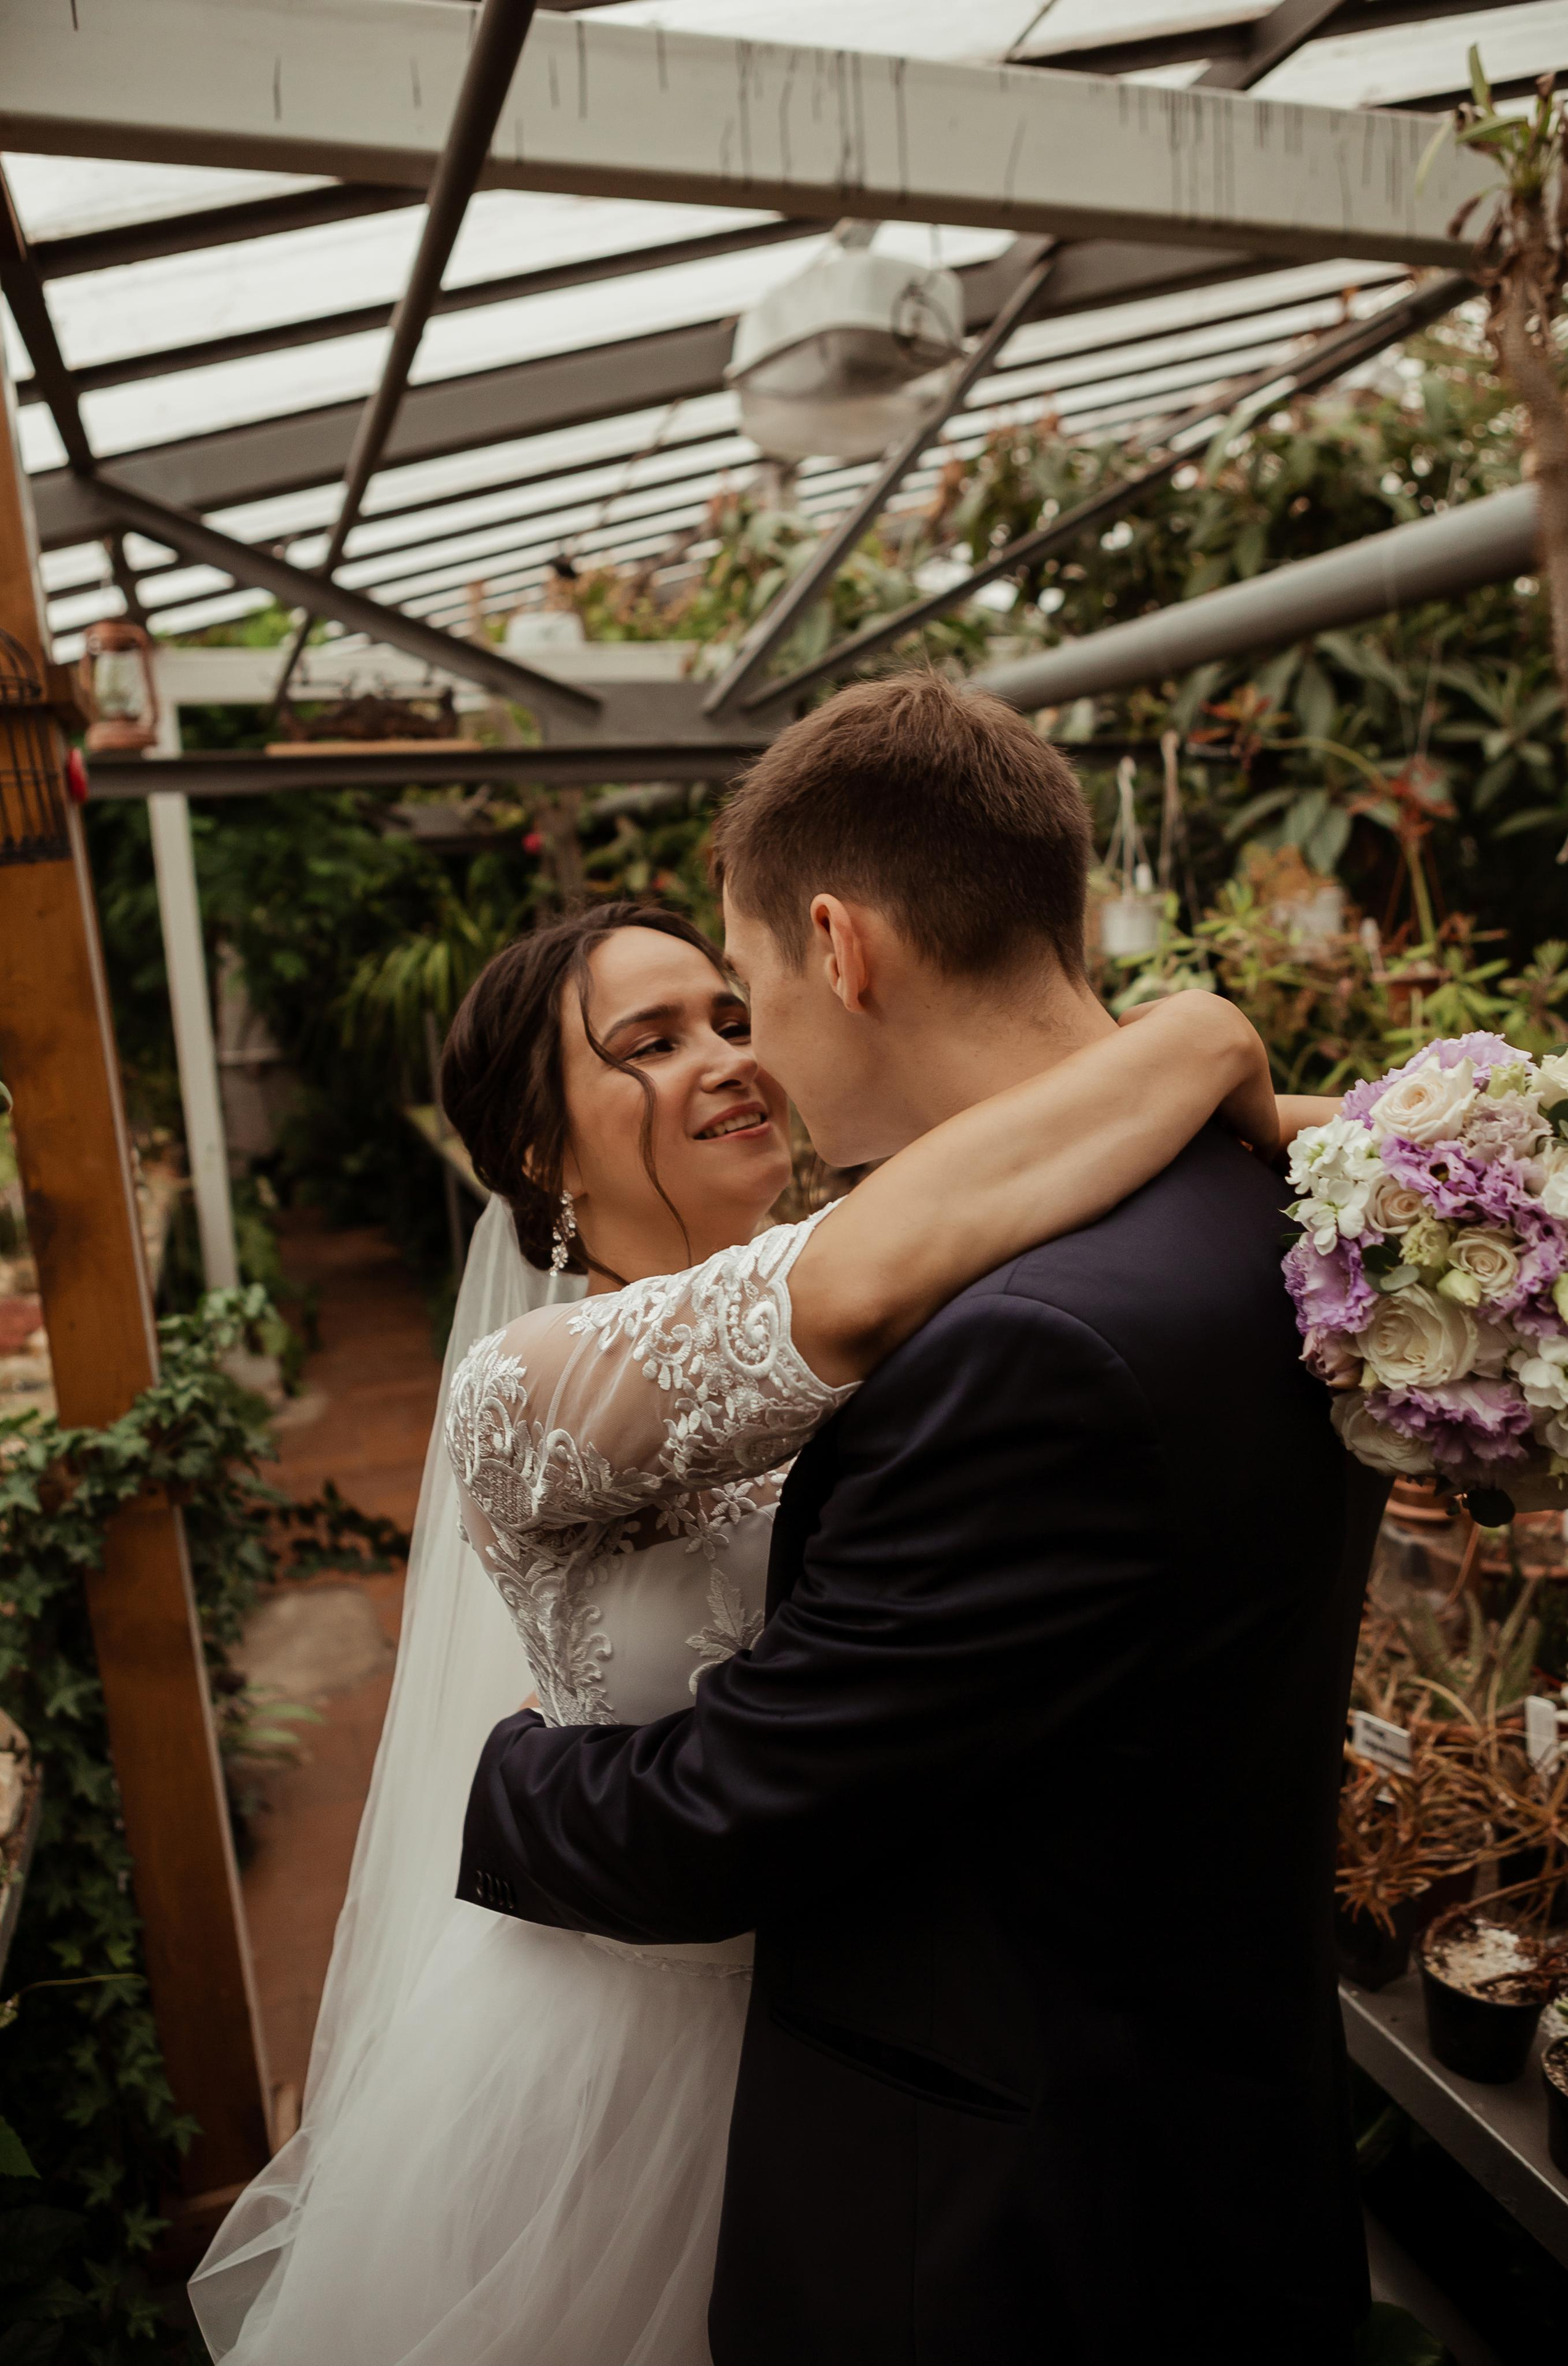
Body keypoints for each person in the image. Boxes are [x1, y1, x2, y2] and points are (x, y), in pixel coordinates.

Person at [189, 690, 1305, 2364]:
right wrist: (1205, 1034)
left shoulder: (947, 1262)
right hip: (623, 2041)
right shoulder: (530, 1387)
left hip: (883, 2033)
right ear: (529, 1150)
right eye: (647, 1046)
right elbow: (846, 1284)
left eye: (730, 1009)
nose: (729, 1056)